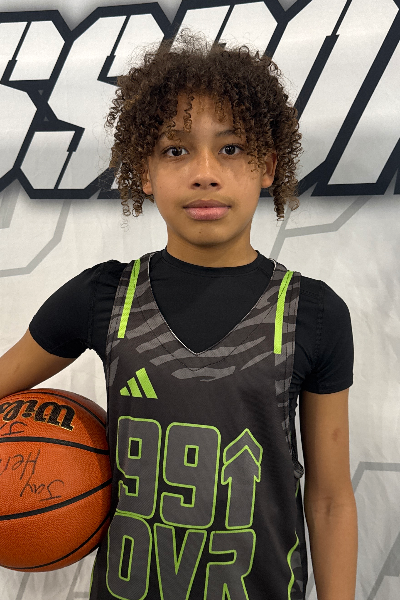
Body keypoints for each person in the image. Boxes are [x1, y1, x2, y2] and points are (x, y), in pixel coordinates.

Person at [0, 30, 357, 600]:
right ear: (144, 173)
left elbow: (331, 497)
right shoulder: (104, 296)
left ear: (268, 166)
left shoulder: (311, 312)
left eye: (231, 149)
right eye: (175, 150)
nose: (204, 172)